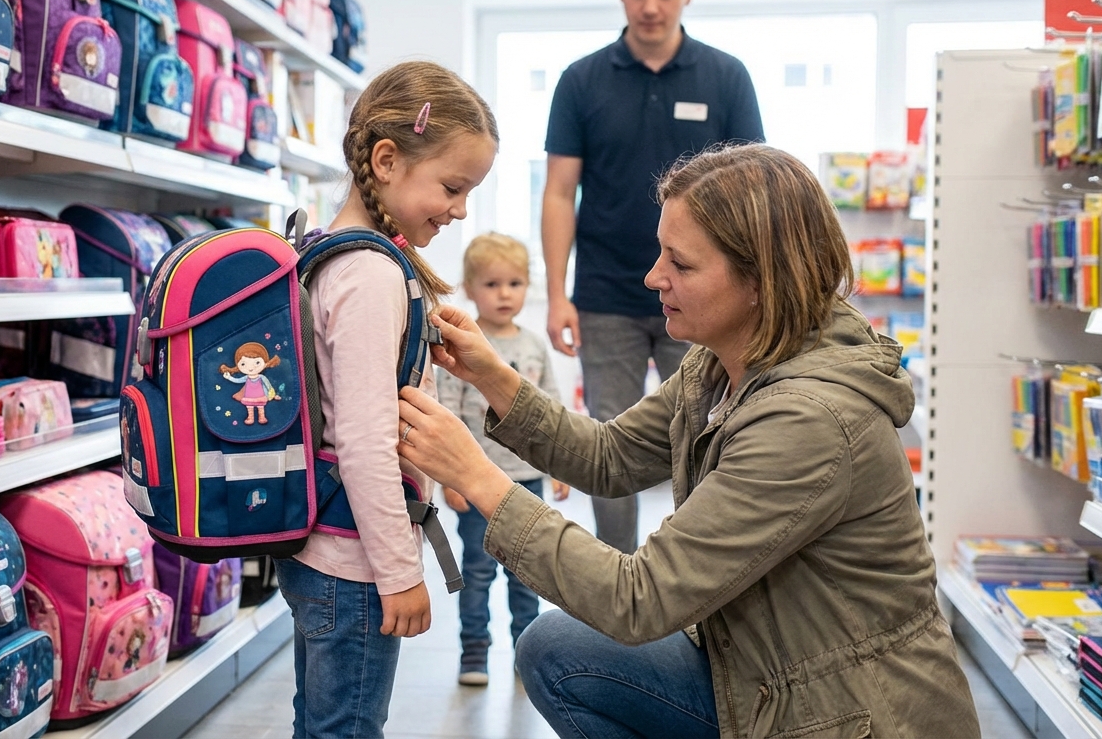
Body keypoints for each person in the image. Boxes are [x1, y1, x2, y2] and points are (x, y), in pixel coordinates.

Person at [396, 144, 980, 738]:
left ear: (761, 279)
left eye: (682, 263)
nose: (654, 277)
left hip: (850, 711)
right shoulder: (722, 364)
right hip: (765, 666)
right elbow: (610, 456)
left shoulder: (809, 421)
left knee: (562, 647)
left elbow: (638, 598)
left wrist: (479, 477)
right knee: (555, 647)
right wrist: (493, 376)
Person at [276, 60, 498, 739]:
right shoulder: (372, 275)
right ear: (387, 159)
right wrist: (399, 574)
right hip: (356, 565)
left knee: (320, 723)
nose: (460, 210)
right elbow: (367, 442)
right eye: (453, 187)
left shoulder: (325, 251)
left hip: (321, 549)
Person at [543, 0, 765, 555]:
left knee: (707, 434)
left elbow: (753, 193)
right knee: (607, 442)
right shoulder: (580, 80)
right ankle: (615, 577)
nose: (650, 6)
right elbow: (560, 193)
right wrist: (556, 294)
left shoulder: (727, 76)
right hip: (605, 297)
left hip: (706, 296)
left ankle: (697, 573)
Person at [436, 232, 571, 687]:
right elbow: (447, 411)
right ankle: (473, 653)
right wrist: (448, 479)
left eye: (514, 283)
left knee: (526, 573)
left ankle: (524, 652)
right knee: (476, 571)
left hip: (527, 481)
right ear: (470, 288)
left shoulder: (533, 346)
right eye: (492, 284)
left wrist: (559, 464)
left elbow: (551, 406)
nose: (504, 293)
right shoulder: (458, 345)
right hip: (476, 484)